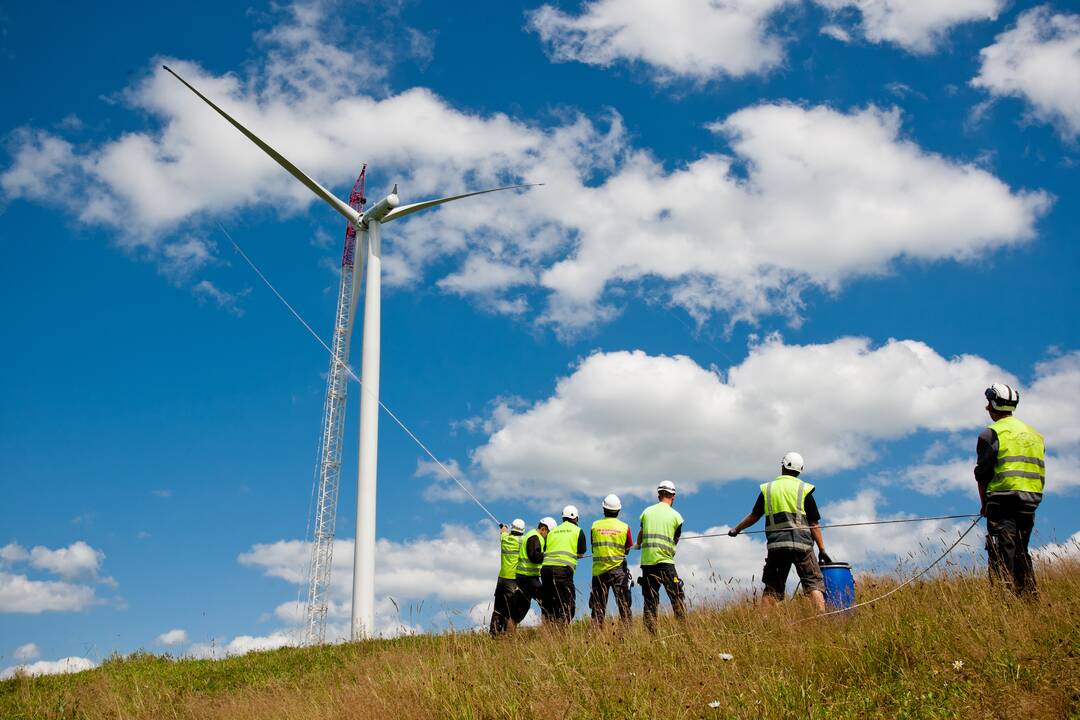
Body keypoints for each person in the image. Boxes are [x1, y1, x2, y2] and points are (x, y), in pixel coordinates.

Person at [728, 452, 829, 612]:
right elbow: (814, 524)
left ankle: (764, 622)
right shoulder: (804, 489)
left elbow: (754, 516)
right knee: (813, 583)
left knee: (772, 587)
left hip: (777, 546)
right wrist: (822, 550)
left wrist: (737, 529)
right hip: (803, 545)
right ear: (800, 470)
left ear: (783, 466)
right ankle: (821, 617)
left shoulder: (768, 489)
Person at [976, 383, 1045, 597]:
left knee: (1001, 550)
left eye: (989, 403)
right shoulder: (1034, 434)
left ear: (995, 404)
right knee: (1021, 550)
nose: (987, 408)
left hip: (1002, 500)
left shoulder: (991, 434)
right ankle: (1029, 598)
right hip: (1030, 500)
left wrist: (985, 505)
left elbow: (983, 474)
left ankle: (1004, 599)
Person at [636, 480, 686, 632]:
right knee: (676, 596)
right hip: (666, 563)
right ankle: (683, 629)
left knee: (650, 600)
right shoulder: (677, 517)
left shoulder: (646, 512)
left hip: (648, 563)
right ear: (674, 496)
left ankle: (651, 634)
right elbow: (675, 539)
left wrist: (638, 545)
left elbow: (642, 533)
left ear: (659, 495)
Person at [589, 494, 633, 628]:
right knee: (624, 605)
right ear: (618, 510)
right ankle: (626, 636)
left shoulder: (594, 526)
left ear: (603, 509)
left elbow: (593, 547)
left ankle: (595, 636)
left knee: (598, 608)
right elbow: (627, 549)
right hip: (618, 571)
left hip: (598, 572)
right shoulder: (625, 527)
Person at [541, 506, 586, 625]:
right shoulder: (578, 531)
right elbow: (581, 553)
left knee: (549, 603)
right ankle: (560, 631)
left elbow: (546, 549)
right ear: (576, 518)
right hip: (562, 570)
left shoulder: (553, 531)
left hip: (545, 570)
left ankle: (548, 631)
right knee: (568, 604)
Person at [515, 517, 556, 623]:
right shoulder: (535, 537)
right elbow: (535, 557)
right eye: (549, 533)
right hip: (528, 577)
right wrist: (549, 555)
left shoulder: (533, 535)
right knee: (546, 600)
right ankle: (548, 627)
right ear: (543, 529)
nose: (549, 537)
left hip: (525, 576)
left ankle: (508, 630)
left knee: (522, 606)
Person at [489, 518, 526, 635]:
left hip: (502, 579)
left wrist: (504, 529)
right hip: (514, 580)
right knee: (512, 610)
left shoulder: (504, 538)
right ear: (523, 531)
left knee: (498, 608)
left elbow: (504, 532)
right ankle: (508, 635)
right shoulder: (523, 541)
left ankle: (494, 633)